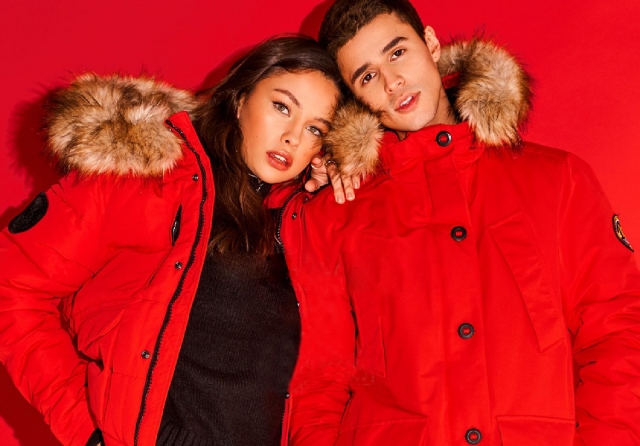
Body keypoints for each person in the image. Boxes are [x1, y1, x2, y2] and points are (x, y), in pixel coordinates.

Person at [282, 1, 640, 445]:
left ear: (431, 43)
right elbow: (319, 382)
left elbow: (618, 336)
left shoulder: (558, 179)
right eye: (367, 76)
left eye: (397, 53)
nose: (392, 82)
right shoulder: (334, 214)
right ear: (355, 97)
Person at [0, 35, 344, 446]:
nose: (292, 137)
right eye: (282, 107)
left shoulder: (301, 220)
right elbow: (11, 286)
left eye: (315, 129)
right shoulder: (151, 176)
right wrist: (86, 432)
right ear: (240, 100)